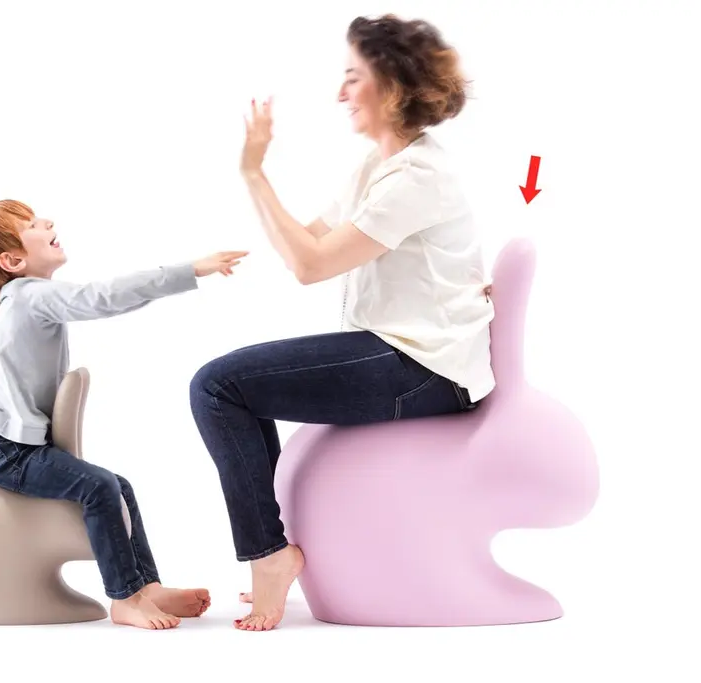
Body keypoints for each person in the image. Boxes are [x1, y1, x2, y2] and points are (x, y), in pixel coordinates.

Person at [189, 15, 495, 631]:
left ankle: (269, 556)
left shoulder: (418, 179)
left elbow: (309, 264)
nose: (339, 93)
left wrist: (254, 173)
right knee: (231, 385)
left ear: (392, 86)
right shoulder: (376, 168)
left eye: (353, 77)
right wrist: (259, 189)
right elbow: (306, 241)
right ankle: (270, 552)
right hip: (403, 352)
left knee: (217, 387)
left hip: (427, 368)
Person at [0, 198, 248, 629]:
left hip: (12, 447)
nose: (47, 221)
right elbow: (102, 297)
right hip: (5, 451)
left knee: (117, 486)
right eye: (31, 224)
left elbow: (103, 300)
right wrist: (191, 270)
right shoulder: (29, 297)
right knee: (100, 486)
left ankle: (147, 588)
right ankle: (124, 597)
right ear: (13, 261)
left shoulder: (27, 300)